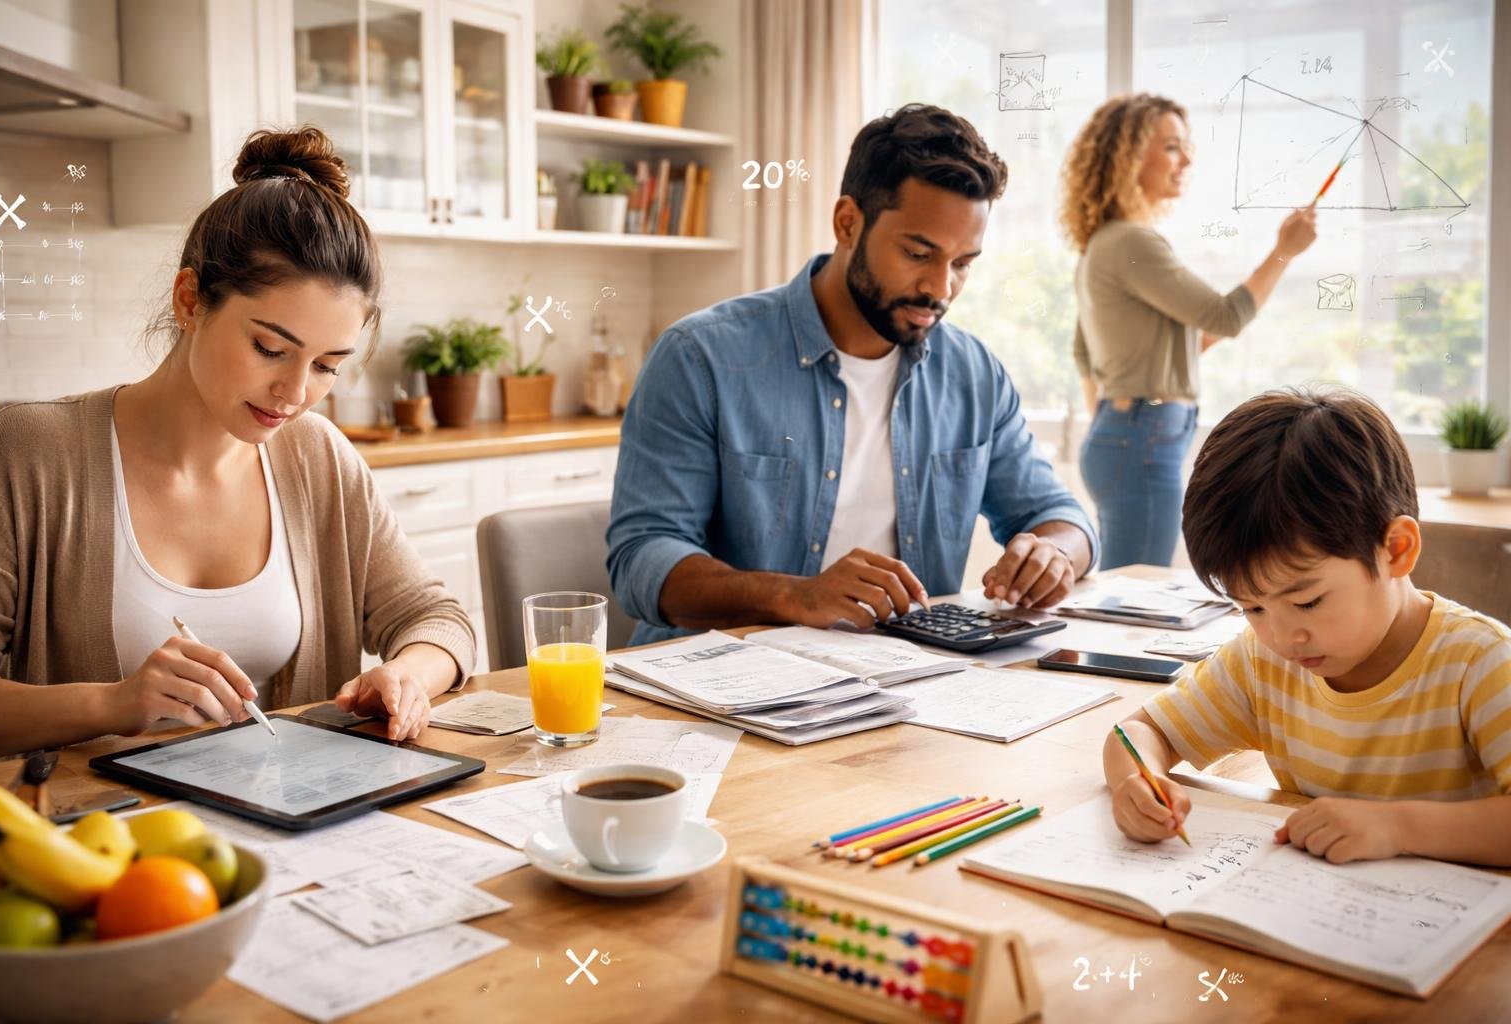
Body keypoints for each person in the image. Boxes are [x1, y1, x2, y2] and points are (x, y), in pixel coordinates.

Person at [0, 127, 475, 759]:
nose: (294, 392)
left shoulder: (317, 456)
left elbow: (438, 621)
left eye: (327, 366)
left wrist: (409, 677)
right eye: (270, 348)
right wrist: (113, 703)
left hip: (296, 828)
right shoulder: (30, 454)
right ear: (190, 300)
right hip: (108, 845)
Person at [608, 103, 1098, 646]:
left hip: (904, 684)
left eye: (962, 263)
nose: (941, 288)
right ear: (847, 223)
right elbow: (643, 561)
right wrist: (795, 596)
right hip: (715, 689)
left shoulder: (973, 374)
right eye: (918, 252)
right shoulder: (701, 358)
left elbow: (1060, 516)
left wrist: (1055, 554)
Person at [1103, 388, 1511, 867]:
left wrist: (1397, 827)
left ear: (1396, 550)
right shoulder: (1262, 663)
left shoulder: (1481, 664)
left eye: (1308, 601)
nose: (1282, 637)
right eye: (1252, 608)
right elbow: (1139, 732)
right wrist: (1139, 782)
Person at [1061, 94, 1318, 570]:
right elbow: (1226, 316)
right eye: (1173, 146)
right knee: (1135, 611)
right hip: (1141, 440)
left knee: (1124, 605)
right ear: (1130, 155)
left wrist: (1118, 421)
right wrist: (1285, 251)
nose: (1188, 159)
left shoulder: (1102, 245)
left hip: (1127, 437)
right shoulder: (1133, 241)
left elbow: (1093, 354)